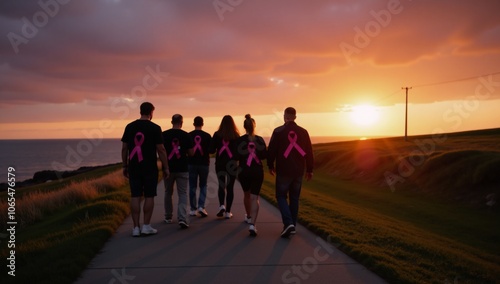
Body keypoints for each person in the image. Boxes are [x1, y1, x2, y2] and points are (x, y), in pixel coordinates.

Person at [121, 102, 170, 237]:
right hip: (149, 167)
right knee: (149, 195)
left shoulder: (130, 127)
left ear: (140, 111)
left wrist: (124, 165)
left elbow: (125, 148)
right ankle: (146, 226)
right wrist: (166, 167)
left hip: (134, 166)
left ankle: (135, 228)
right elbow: (161, 149)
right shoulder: (155, 128)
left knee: (135, 195)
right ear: (151, 112)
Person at [267, 107, 313, 238]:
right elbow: (309, 152)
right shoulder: (304, 132)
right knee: (294, 198)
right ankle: (292, 225)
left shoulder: (278, 131)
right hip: (298, 170)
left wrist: (270, 165)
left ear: (284, 116)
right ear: (295, 117)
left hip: (284, 169)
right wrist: (310, 169)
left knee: (281, 196)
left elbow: (271, 150)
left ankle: (288, 224)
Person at [237, 114, 267, 236]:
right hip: (257, 171)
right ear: (254, 126)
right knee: (255, 197)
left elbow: (236, 156)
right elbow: (265, 155)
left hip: (244, 171)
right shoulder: (259, 140)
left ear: (244, 127)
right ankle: (252, 224)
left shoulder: (240, 140)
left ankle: (248, 216)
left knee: (246, 195)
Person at [162, 114, 194, 229]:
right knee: (182, 193)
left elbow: (160, 151)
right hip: (182, 168)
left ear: (171, 122)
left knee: (168, 192)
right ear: (182, 122)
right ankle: (182, 218)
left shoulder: (164, 135)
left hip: (168, 168)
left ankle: (168, 216)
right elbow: (191, 153)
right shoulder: (186, 135)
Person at [210, 115, 240, 219]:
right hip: (232, 164)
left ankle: (221, 205)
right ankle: (228, 212)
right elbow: (238, 153)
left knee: (221, 185)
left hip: (220, 163)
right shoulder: (236, 136)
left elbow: (212, 150)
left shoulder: (217, 134)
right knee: (230, 187)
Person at [188, 116, 212, 217]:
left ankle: (193, 209)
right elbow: (211, 150)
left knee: (192, 186)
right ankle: (201, 206)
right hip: (204, 163)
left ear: (194, 124)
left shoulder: (189, 135)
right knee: (203, 185)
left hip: (192, 163)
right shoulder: (207, 136)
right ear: (202, 124)